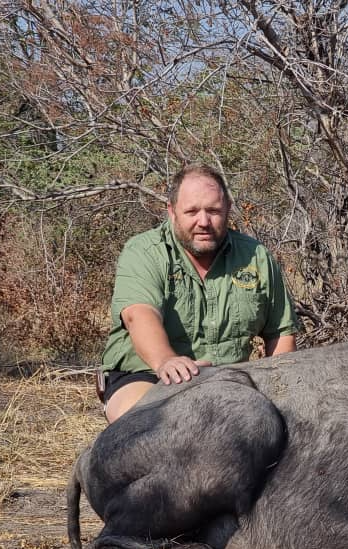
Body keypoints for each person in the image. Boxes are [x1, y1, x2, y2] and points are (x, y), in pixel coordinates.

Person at [100, 164, 299, 422]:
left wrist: (279, 388)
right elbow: (139, 315)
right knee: (151, 426)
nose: (203, 222)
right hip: (148, 374)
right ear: (172, 212)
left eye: (213, 211)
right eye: (192, 211)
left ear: (227, 209)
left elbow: (281, 333)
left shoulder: (256, 256)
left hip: (231, 380)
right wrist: (166, 361)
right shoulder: (144, 251)